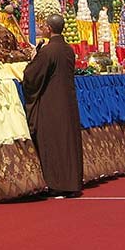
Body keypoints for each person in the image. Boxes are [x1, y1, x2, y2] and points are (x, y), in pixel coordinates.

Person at [23, 14, 83, 196]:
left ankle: (59, 184)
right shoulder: (67, 49)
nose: (41, 29)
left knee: (54, 142)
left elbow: (32, 77)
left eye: (43, 26)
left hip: (51, 103)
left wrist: (34, 58)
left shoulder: (49, 51)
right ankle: (72, 183)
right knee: (67, 143)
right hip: (67, 102)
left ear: (49, 28)